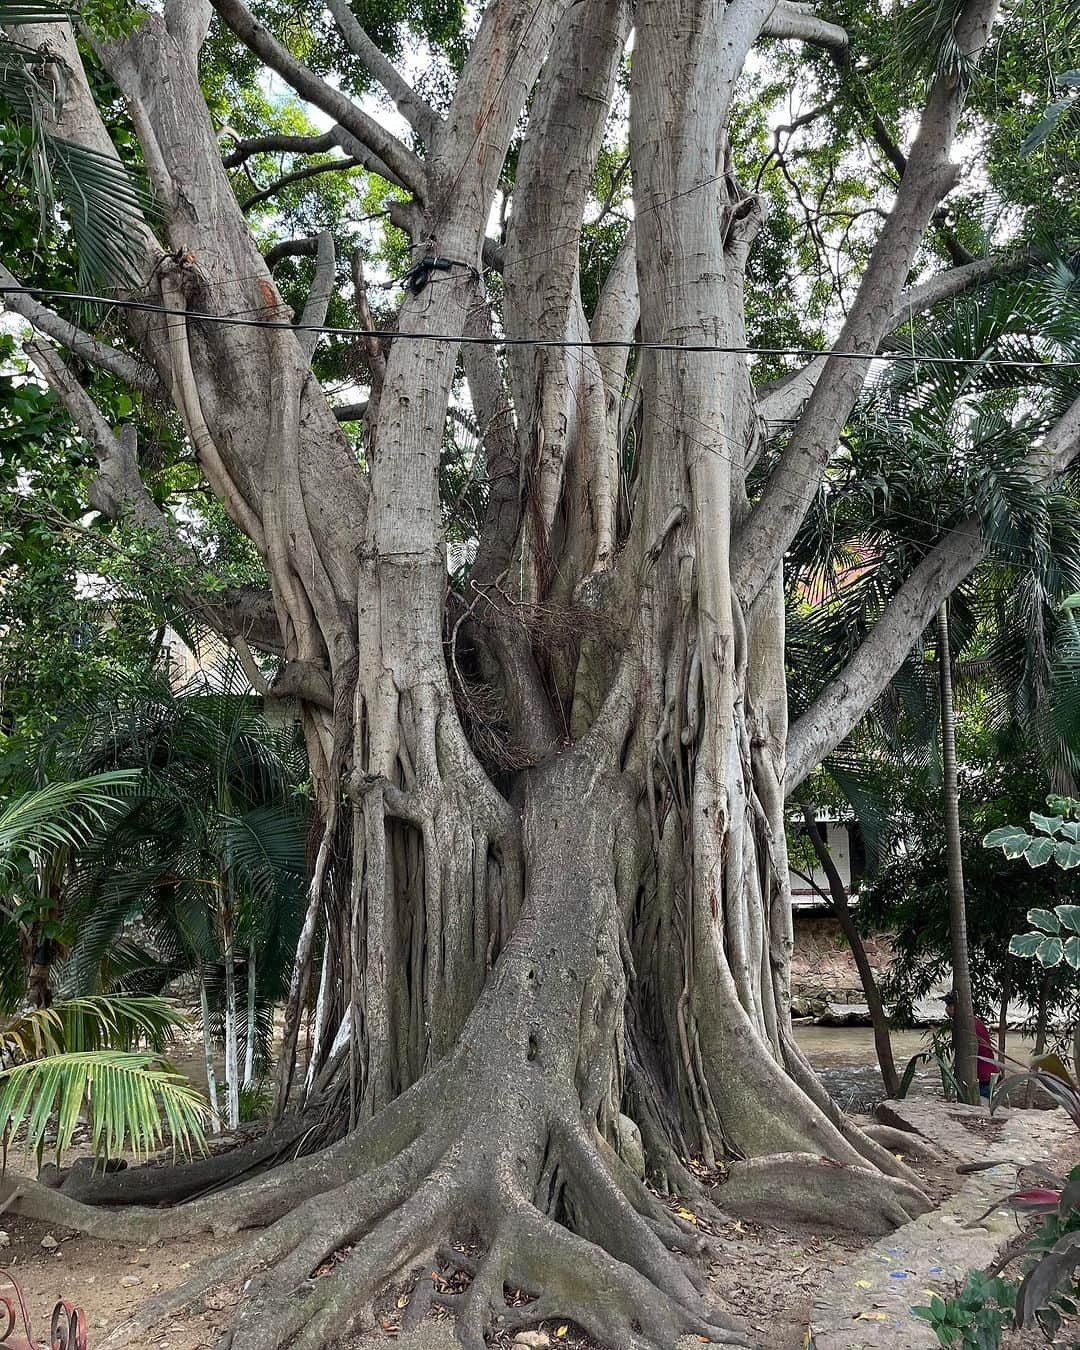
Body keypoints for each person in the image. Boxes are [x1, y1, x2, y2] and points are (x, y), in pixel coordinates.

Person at [944, 990, 996, 1100]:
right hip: (982, 1074)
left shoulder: (968, 1025)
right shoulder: (971, 1021)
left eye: (949, 1005)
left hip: (981, 1077)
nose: (947, 1009)